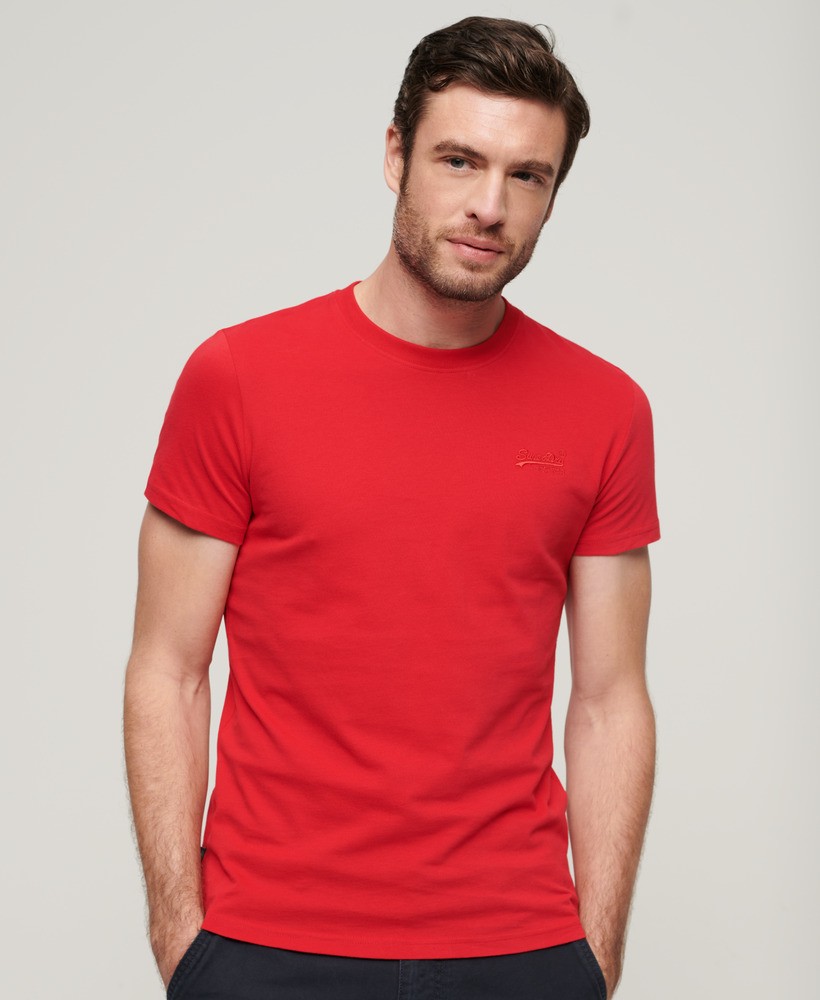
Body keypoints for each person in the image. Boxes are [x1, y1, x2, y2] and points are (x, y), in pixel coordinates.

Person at [124, 16, 659, 1000]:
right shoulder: (238, 377)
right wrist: (180, 936)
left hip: (518, 949)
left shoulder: (604, 409)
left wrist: (595, 954)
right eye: (459, 160)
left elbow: (610, 698)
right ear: (395, 155)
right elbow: (168, 667)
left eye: (527, 176)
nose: (489, 205)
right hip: (265, 945)